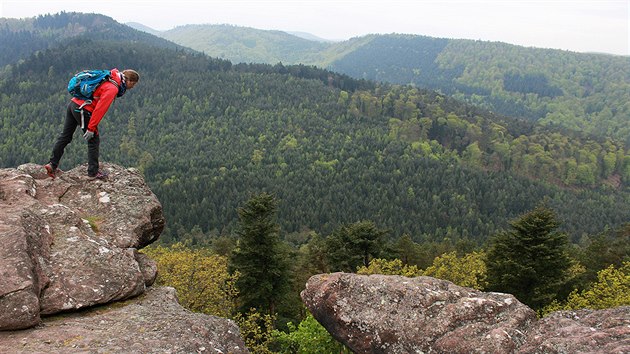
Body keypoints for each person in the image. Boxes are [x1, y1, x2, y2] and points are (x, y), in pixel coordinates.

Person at [44, 68, 139, 180]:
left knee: (65, 136)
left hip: (74, 104)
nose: (132, 87)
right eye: (133, 85)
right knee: (93, 139)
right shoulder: (113, 88)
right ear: (129, 81)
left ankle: (52, 165)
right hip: (83, 109)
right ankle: (93, 172)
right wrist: (91, 128)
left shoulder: (109, 78)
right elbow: (100, 109)